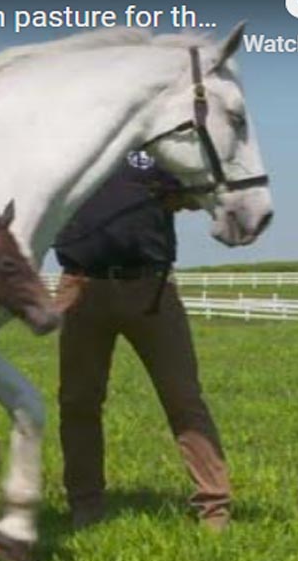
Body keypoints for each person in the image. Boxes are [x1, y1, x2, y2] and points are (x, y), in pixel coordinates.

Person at [51, 149, 231, 532]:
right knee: (78, 401)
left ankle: (215, 506)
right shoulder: (71, 145)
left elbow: (197, 193)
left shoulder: (157, 149)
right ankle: (85, 504)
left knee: (182, 397)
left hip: (152, 287)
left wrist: (177, 193)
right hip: (81, 284)